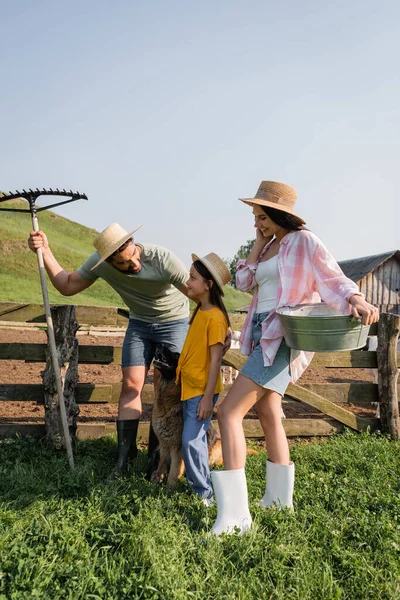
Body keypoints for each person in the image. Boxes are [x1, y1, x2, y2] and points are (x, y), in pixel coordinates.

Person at [210, 180, 380, 535]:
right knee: (269, 411)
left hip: (282, 332)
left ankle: (235, 517)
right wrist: (259, 242)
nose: (257, 223)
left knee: (228, 412)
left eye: (262, 217)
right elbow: (242, 281)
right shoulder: (269, 245)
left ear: (279, 213)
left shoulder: (304, 241)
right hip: (259, 330)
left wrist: (355, 299)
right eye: (255, 218)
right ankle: (278, 501)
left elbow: (332, 277)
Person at [28, 222, 191, 477]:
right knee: (130, 385)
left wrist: (218, 322)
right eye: (125, 264)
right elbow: (68, 285)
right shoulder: (99, 263)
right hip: (139, 322)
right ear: (109, 261)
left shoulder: (162, 259)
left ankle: (157, 458)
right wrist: (46, 250)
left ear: (133, 244)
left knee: (164, 386)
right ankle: (124, 458)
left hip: (173, 321)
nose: (134, 265)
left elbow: (197, 292)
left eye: (134, 256)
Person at [176, 253, 231, 505]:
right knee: (193, 439)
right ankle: (202, 488)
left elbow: (216, 360)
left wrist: (208, 397)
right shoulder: (200, 311)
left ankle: (204, 493)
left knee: (191, 440)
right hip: (191, 387)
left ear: (208, 285)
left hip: (201, 390)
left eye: (193, 278)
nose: (188, 282)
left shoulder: (216, 318)